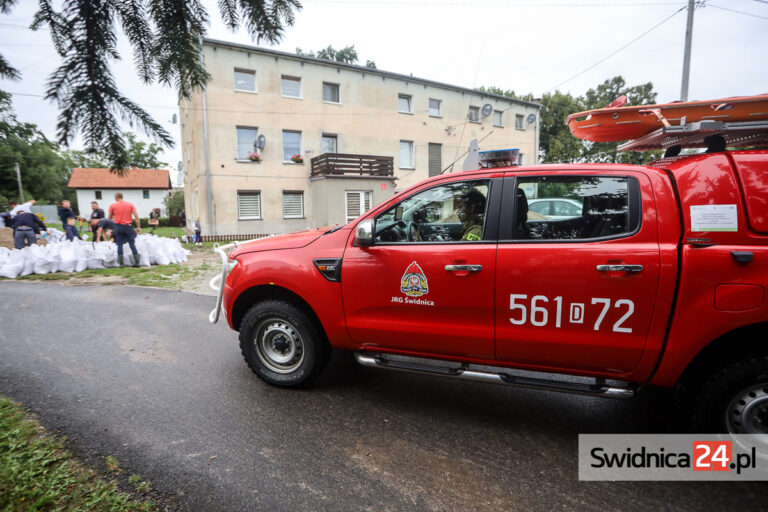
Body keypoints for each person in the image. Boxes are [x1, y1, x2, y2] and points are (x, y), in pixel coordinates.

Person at [108, 192, 141, 267]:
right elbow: (136, 217)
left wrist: (116, 216)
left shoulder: (113, 205)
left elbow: (109, 218)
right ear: (122, 197)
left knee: (119, 244)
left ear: (116, 197)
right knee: (132, 243)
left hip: (118, 227)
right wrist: (138, 227)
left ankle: (121, 264)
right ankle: (137, 262)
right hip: (128, 226)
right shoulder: (130, 204)